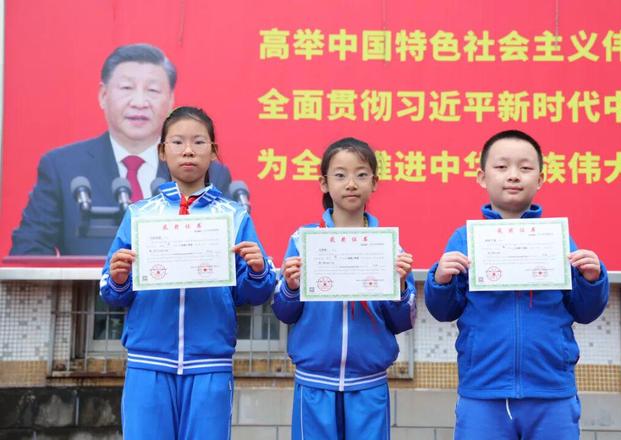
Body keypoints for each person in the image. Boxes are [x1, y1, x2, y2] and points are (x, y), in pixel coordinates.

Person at [99, 107, 275, 439]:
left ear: (214, 151)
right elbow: (111, 290)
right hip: (148, 364)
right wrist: (119, 278)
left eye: (199, 142)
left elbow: (253, 294)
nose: (188, 150)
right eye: (178, 142)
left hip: (210, 365)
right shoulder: (140, 215)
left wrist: (257, 270)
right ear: (162, 151)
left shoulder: (235, 217)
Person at [424, 130, 609, 440]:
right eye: (501, 167)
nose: (513, 175)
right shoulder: (464, 239)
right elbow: (443, 311)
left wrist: (592, 279)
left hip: (551, 389)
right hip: (483, 389)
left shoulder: (558, 239)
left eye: (525, 168)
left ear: (540, 179)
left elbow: (584, 311)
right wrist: (440, 280)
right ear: (482, 177)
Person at [10, 43, 231, 256]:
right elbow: (28, 251)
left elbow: (229, 251)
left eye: (153, 90)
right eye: (126, 88)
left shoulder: (207, 172)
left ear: (171, 101)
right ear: (103, 96)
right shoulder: (63, 168)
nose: (139, 102)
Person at [272, 137, 416, 440]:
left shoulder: (388, 246)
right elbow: (284, 313)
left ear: (374, 183)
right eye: (340, 175)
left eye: (361, 175)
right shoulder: (303, 241)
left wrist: (401, 286)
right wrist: (291, 286)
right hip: (314, 382)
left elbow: (402, 321)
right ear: (324, 183)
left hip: (369, 384)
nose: (351, 183)